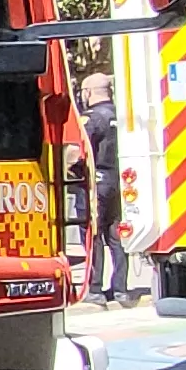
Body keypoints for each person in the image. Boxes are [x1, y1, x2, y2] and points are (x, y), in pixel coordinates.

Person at [79, 70, 129, 301]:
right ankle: (120, 288)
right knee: (116, 235)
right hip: (118, 180)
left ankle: (95, 289)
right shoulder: (122, 115)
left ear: (89, 93)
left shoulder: (92, 119)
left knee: (92, 234)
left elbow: (80, 150)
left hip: (96, 182)